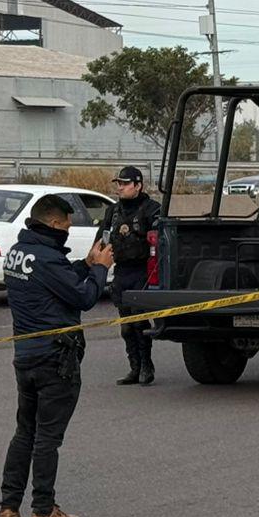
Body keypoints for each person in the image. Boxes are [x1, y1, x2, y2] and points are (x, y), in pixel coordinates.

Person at [0, 194, 113, 517]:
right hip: (55, 359)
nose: (68, 230)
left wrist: (86, 265)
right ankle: (44, 509)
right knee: (47, 437)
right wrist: (102, 268)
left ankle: (9, 506)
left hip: (25, 356)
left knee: (25, 432)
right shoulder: (48, 258)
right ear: (52, 223)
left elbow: (55, 282)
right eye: (66, 224)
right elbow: (84, 297)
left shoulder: (20, 252)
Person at [100, 165, 162, 385]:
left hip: (142, 272)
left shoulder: (152, 209)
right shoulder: (113, 211)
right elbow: (103, 238)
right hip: (121, 272)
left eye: (125, 183)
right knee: (126, 326)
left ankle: (146, 366)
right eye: (119, 183)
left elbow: (160, 241)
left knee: (139, 322)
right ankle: (134, 368)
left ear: (138, 186)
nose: (120, 187)